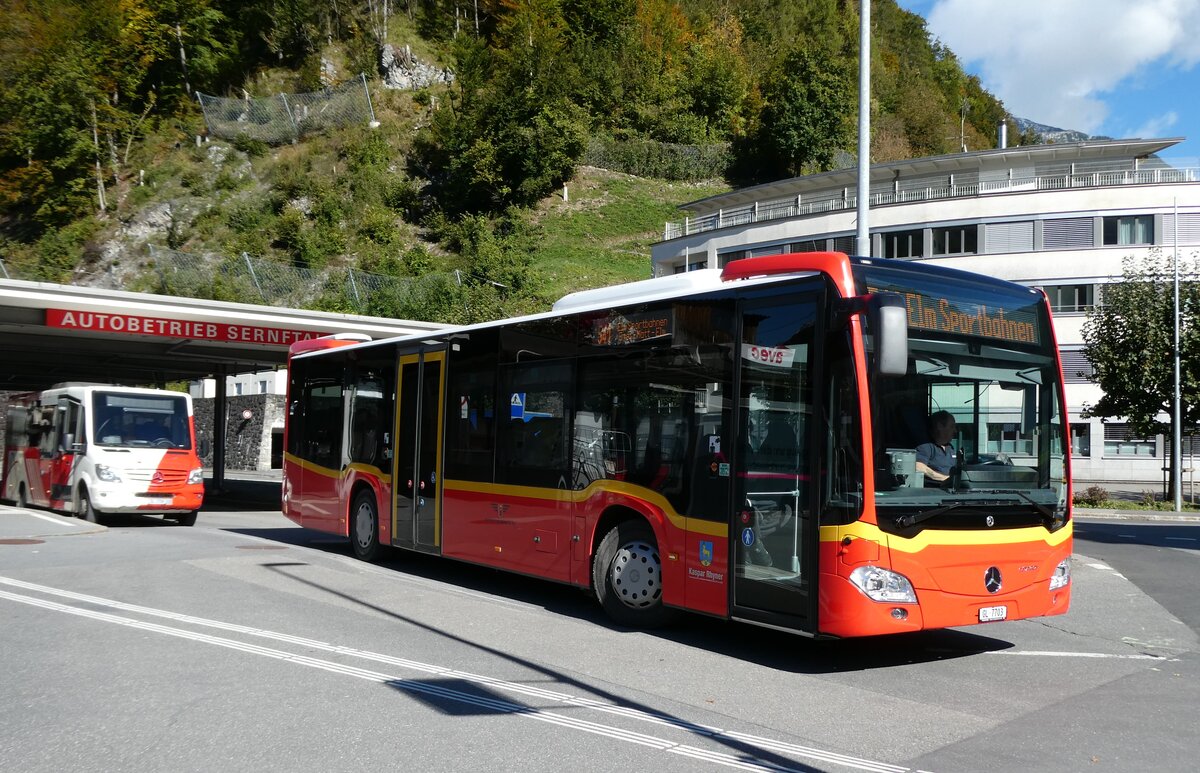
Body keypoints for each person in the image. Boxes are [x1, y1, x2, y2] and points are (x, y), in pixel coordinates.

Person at [915, 410, 956, 482]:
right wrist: (945, 479)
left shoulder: (950, 448)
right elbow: (918, 466)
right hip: (934, 490)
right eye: (951, 426)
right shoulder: (926, 446)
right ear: (940, 426)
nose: (955, 430)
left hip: (952, 489)